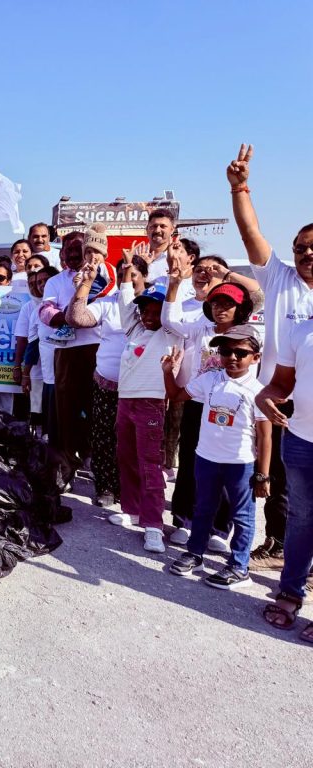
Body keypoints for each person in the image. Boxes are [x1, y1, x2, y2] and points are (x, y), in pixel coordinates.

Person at [228, 143, 313, 570]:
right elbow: (251, 235)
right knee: (283, 484)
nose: (307, 254)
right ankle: (279, 545)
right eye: (300, 248)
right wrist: (241, 189)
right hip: (277, 397)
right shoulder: (280, 278)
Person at [162, 247, 261, 549]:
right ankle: (184, 521)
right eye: (216, 304)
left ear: (239, 307)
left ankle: (219, 529)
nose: (220, 309)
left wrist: (224, 275)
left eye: (227, 303)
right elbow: (169, 320)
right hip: (198, 405)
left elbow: (258, 295)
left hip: (236, 408)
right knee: (192, 462)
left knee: (229, 467)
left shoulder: (250, 334)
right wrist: (175, 283)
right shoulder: (200, 328)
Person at [161, 326, 270, 588]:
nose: (232, 357)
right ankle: (195, 553)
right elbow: (176, 396)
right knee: (203, 508)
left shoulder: (257, 390)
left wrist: (263, 475)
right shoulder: (209, 379)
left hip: (240, 463)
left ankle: (239, 566)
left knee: (242, 515)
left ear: (255, 357)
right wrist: (168, 373)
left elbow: (265, 436)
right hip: (206, 458)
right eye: (225, 351)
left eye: (240, 352)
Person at [64, 257, 149, 507]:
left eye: (132, 274)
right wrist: (85, 285)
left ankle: (132, 490)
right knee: (103, 437)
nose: (127, 279)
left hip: (142, 388)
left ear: (144, 275)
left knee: (137, 440)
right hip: (106, 384)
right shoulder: (108, 302)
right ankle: (106, 488)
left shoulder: (155, 304)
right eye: (122, 274)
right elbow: (76, 319)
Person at [109, 272, 180, 553]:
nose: (149, 315)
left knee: (150, 464)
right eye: (145, 310)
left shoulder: (170, 332)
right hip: (126, 401)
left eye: (156, 311)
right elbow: (126, 304)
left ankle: (153, 525)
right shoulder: (135, 329)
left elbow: (170, 313)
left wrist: (173, 284)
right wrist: (126, 275)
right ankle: (133, 509)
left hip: (151, 403)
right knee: (125, 457)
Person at [257, 316, 313, 639]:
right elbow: (281, 383)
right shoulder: (301, 331)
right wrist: (263, 396)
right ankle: (290, 592)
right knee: (301, 518)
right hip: (300, 440)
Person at [39, 228, 103, 472]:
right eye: (69, 250)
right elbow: (46, 311)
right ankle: (67, 463)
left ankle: (92, 455)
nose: (74, 254)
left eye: (79, 248)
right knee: (66, 409)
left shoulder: (104, 274)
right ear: (62, 254)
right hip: (65, 350)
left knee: (96, 406)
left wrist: (78, 315)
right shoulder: (56, 281)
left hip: (97, 348)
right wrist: (70, 317)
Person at [27, 266, 61, 439]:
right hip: (49, 379)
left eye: (45, 280)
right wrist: (25, 374)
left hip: (67, 378)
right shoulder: (37, 311)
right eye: (38, 282)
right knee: (49, 428)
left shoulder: (67, 304)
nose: (41, 285)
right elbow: (32, 345)